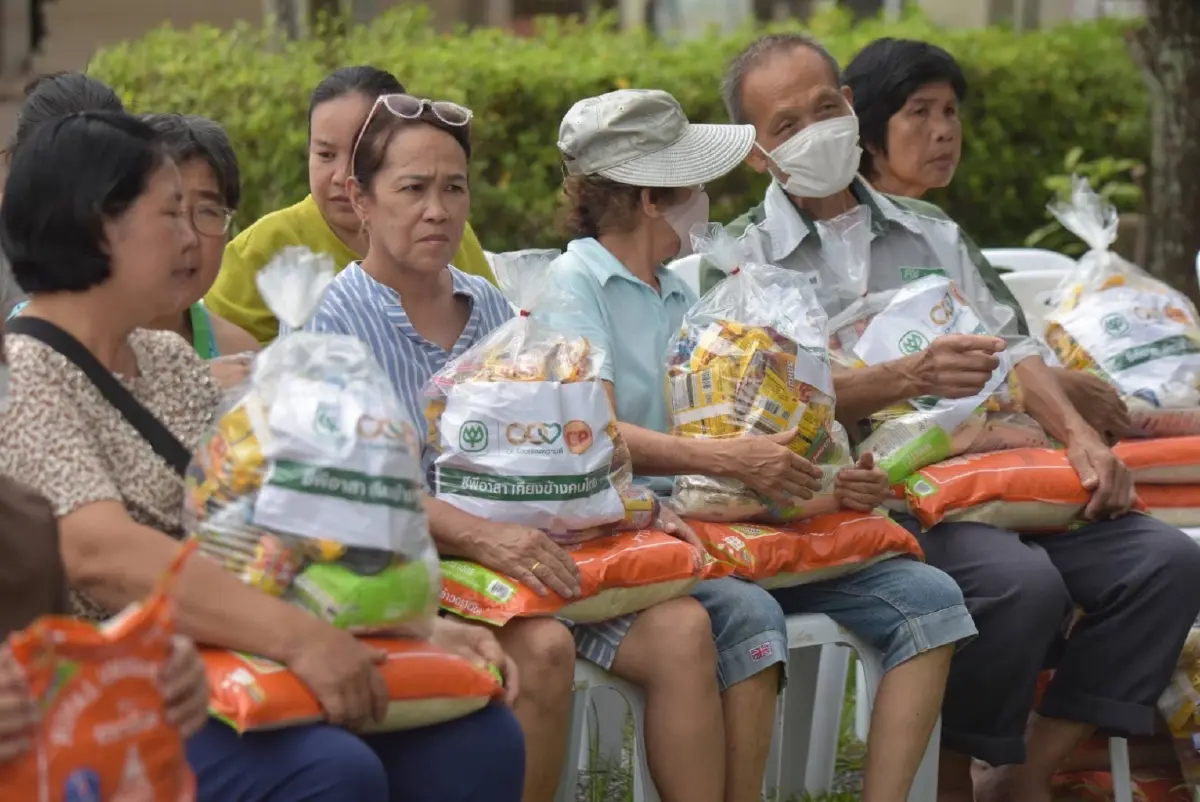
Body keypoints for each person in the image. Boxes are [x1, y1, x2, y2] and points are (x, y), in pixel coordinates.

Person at [715, 32, 1200, 802]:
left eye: (825, 107)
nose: (815, 131)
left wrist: (1081, 441)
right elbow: (755, 404)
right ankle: (950, 779)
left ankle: (1027, 770)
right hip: (880, 498)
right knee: (1019, 584)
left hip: (1005, 475)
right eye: (786, 126)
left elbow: (1013, 348)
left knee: (1164, 563)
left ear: (849, 105)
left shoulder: (930, 233)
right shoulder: (739, 261)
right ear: (755, 154)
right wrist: (905, 377)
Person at [0, 109, 524, 801]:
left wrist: (410, 629)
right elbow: (102, 554)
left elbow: (258, 527)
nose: (193, 239)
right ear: (103, 226)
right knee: (332, 772)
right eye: (171, 214)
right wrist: (304, 639)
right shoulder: (26, 376)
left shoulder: (164, 360)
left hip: (236, 653)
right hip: (119, 694)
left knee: (477, 740)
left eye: (200, 214)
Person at [546, 88, 975, 802]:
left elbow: (751, 430)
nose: (707, 198)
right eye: (696, 183)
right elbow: (596, 432)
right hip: (648, 529)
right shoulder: (576, 282)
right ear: (653, 198)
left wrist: (833, 484)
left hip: (733, 516)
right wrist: (726, 461)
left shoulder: (685, 296)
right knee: (748, 614)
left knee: (929, 599)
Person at [297, 90, 726, 802]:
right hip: (418, 571)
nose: (437, 209)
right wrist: (482, 536)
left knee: (683, 630)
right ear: (359, 198)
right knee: (545, 648)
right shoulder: (333, 324)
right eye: (412, 189)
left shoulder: (491, 308)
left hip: (537, 552)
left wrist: (632, 508)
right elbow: (348, 485)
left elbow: (558, 440)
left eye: (453, 188)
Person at [842, 36, 1130, 444]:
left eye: (949, 112)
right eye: (919, 112)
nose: (943, 131)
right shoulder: (845, 239)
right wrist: (1057, 384)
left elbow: (1008, 338)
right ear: (869, 136)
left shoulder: (939, 233)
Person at [208, 66, 497, 345]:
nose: (342, 174)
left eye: (362, 155)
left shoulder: (444, 237)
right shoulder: (267, 248)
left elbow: (499, 346)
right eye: (325, 154)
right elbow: (207, 348)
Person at [3, 73, 259, 387]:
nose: (188, 237)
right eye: (169, 212)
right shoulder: (22, 364)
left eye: (206, 211)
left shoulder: (169, 354)